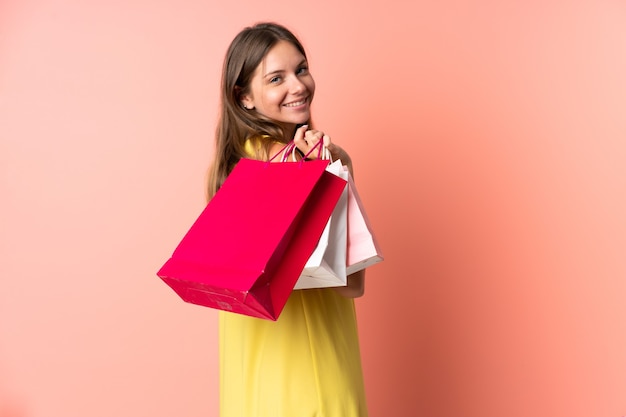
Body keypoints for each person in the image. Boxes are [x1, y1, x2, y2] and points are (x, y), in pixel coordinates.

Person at [207, 22, 368, 416]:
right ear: (243, 97)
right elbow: (352, 284)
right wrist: (328, 171)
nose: (298, 86)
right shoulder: (310, 163)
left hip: (250, 383)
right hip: (311, 379)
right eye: (276, 78)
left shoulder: (228, 171)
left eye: (301, 69)